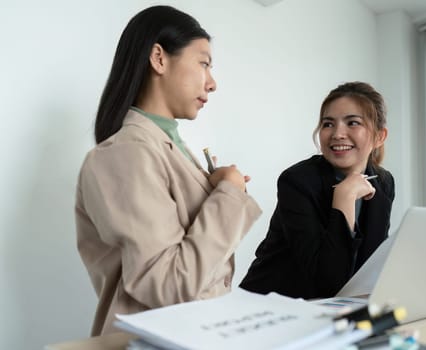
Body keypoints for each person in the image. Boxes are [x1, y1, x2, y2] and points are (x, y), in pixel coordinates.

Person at [75, 6, 261, 336]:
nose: (212, 82)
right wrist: (229, 192)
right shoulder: (127, 153)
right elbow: (169, 286)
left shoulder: (167, 147)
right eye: (204, 63)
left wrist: (219, 191)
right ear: (159, 58)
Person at [240, 81, 394, 299]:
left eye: (352, 123)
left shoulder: (383, 182)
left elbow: (367, 269)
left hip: (331, 310)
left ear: (379, 136)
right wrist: (344, 199)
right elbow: (327, 283)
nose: (338, 133)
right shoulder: (297, 182)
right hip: (269, 306)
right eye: (328, 124)